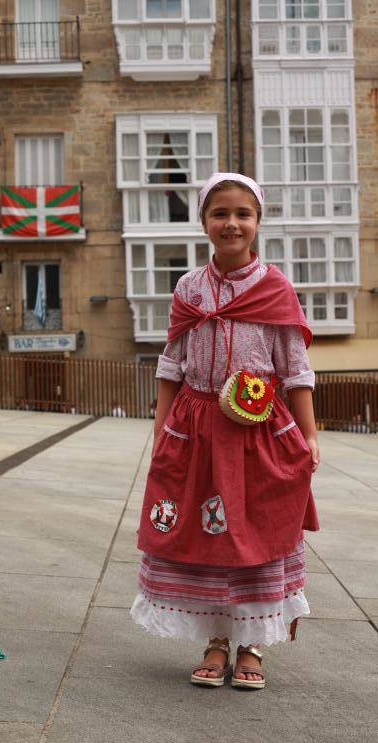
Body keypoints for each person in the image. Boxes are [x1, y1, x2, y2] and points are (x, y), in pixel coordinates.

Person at [130, 172, 320, 690]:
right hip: (197, 430)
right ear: (204, 222)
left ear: (258, 222)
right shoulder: (188, 289)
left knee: (254, 532)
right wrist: (162, 430)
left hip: (259, 433)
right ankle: (215, 639)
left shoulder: (275, 288)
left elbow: (295, 368)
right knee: (204, 533)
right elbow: (171, 365)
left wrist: (310, 435)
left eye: (243, 214)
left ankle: (252, 643)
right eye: (220, 214)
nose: (231, 223)